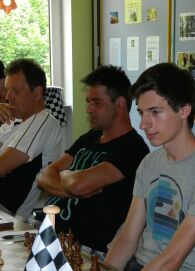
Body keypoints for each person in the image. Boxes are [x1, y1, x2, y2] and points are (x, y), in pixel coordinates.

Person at [105, 63, 195, 271]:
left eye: (155, 112)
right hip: (140, 270)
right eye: (141, 113)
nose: (143, 124)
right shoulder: (150, 163)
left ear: (184, 110)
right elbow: (128, 237)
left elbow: (172, 258)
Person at [37, 65, 149, 253]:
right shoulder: (89, 138)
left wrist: (65, 174)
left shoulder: (133, 148)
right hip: (50, 233)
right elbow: (43, 177)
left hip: (86, 249)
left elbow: (77, 185)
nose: (89, 109)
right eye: (88, 102)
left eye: (96, 103)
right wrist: (72, 187)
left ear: (120, 103)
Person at [0, 58, 62, 215]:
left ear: (37, 92)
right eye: (7, 90)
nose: (8, 97)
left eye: (16, 91)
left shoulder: (44, 121)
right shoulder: (13, 120)